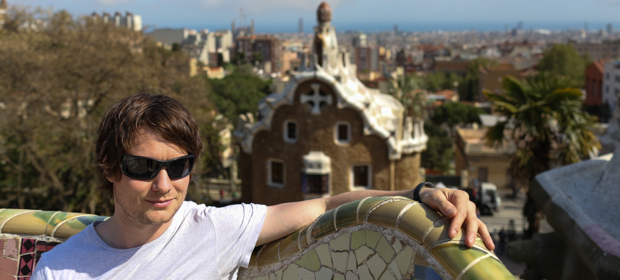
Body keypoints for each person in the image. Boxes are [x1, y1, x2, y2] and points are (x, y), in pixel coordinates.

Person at [32, 93, 494, 279]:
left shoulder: (213, 229)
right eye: (141, 166)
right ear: (110, 167)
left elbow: (328, 203)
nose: (163, 184)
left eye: (179, 166)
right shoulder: (58, 271)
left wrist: (421, 194)